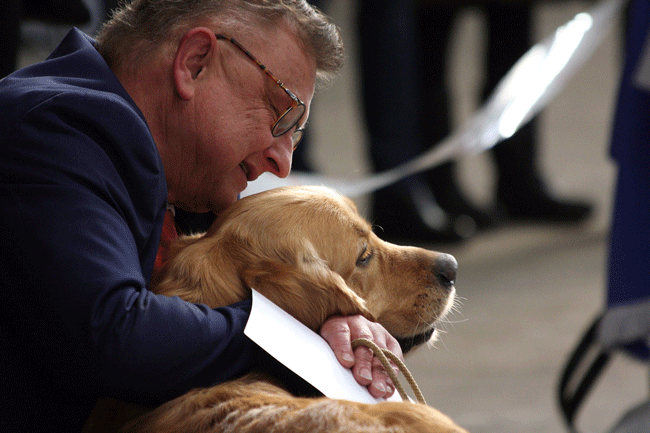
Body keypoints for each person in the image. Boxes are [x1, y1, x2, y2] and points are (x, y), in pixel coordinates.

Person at [0, 1, 403, 431]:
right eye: (281, 112)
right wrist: (299, 330)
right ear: (194, 63)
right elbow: (114, 333)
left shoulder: (172, 171)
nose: (283, 162)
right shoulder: (53, 127)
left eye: (297, 135)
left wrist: (333, 315)